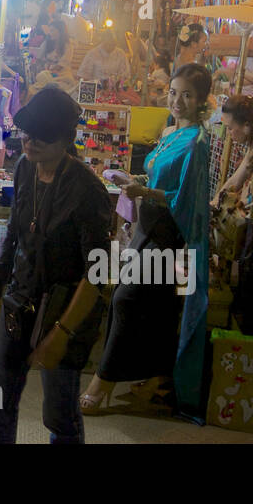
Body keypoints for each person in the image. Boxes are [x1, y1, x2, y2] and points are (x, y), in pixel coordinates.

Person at [0, 87, 109, 444]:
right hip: (21, 300)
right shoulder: (25, 168)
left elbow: (96, 275)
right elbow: (16, 237)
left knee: (60, 416)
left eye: (41, 134)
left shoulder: (88, 190)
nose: (29, 140)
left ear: (65, 140)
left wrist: (61, 334)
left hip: (65, 310)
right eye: (26, 131)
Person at [83, 63, 212, 421]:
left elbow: (186, 197)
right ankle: (159, 378)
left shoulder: (197, 142)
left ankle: (103, 382)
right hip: (146, 229)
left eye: (187, 94)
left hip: (167, 233)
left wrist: (145, 191)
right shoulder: (171, 132)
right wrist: (133, 179)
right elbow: (159, 174)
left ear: (201, 100)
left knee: (126, 298)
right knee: (154, 307)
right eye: (173, 92)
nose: (177, 100)